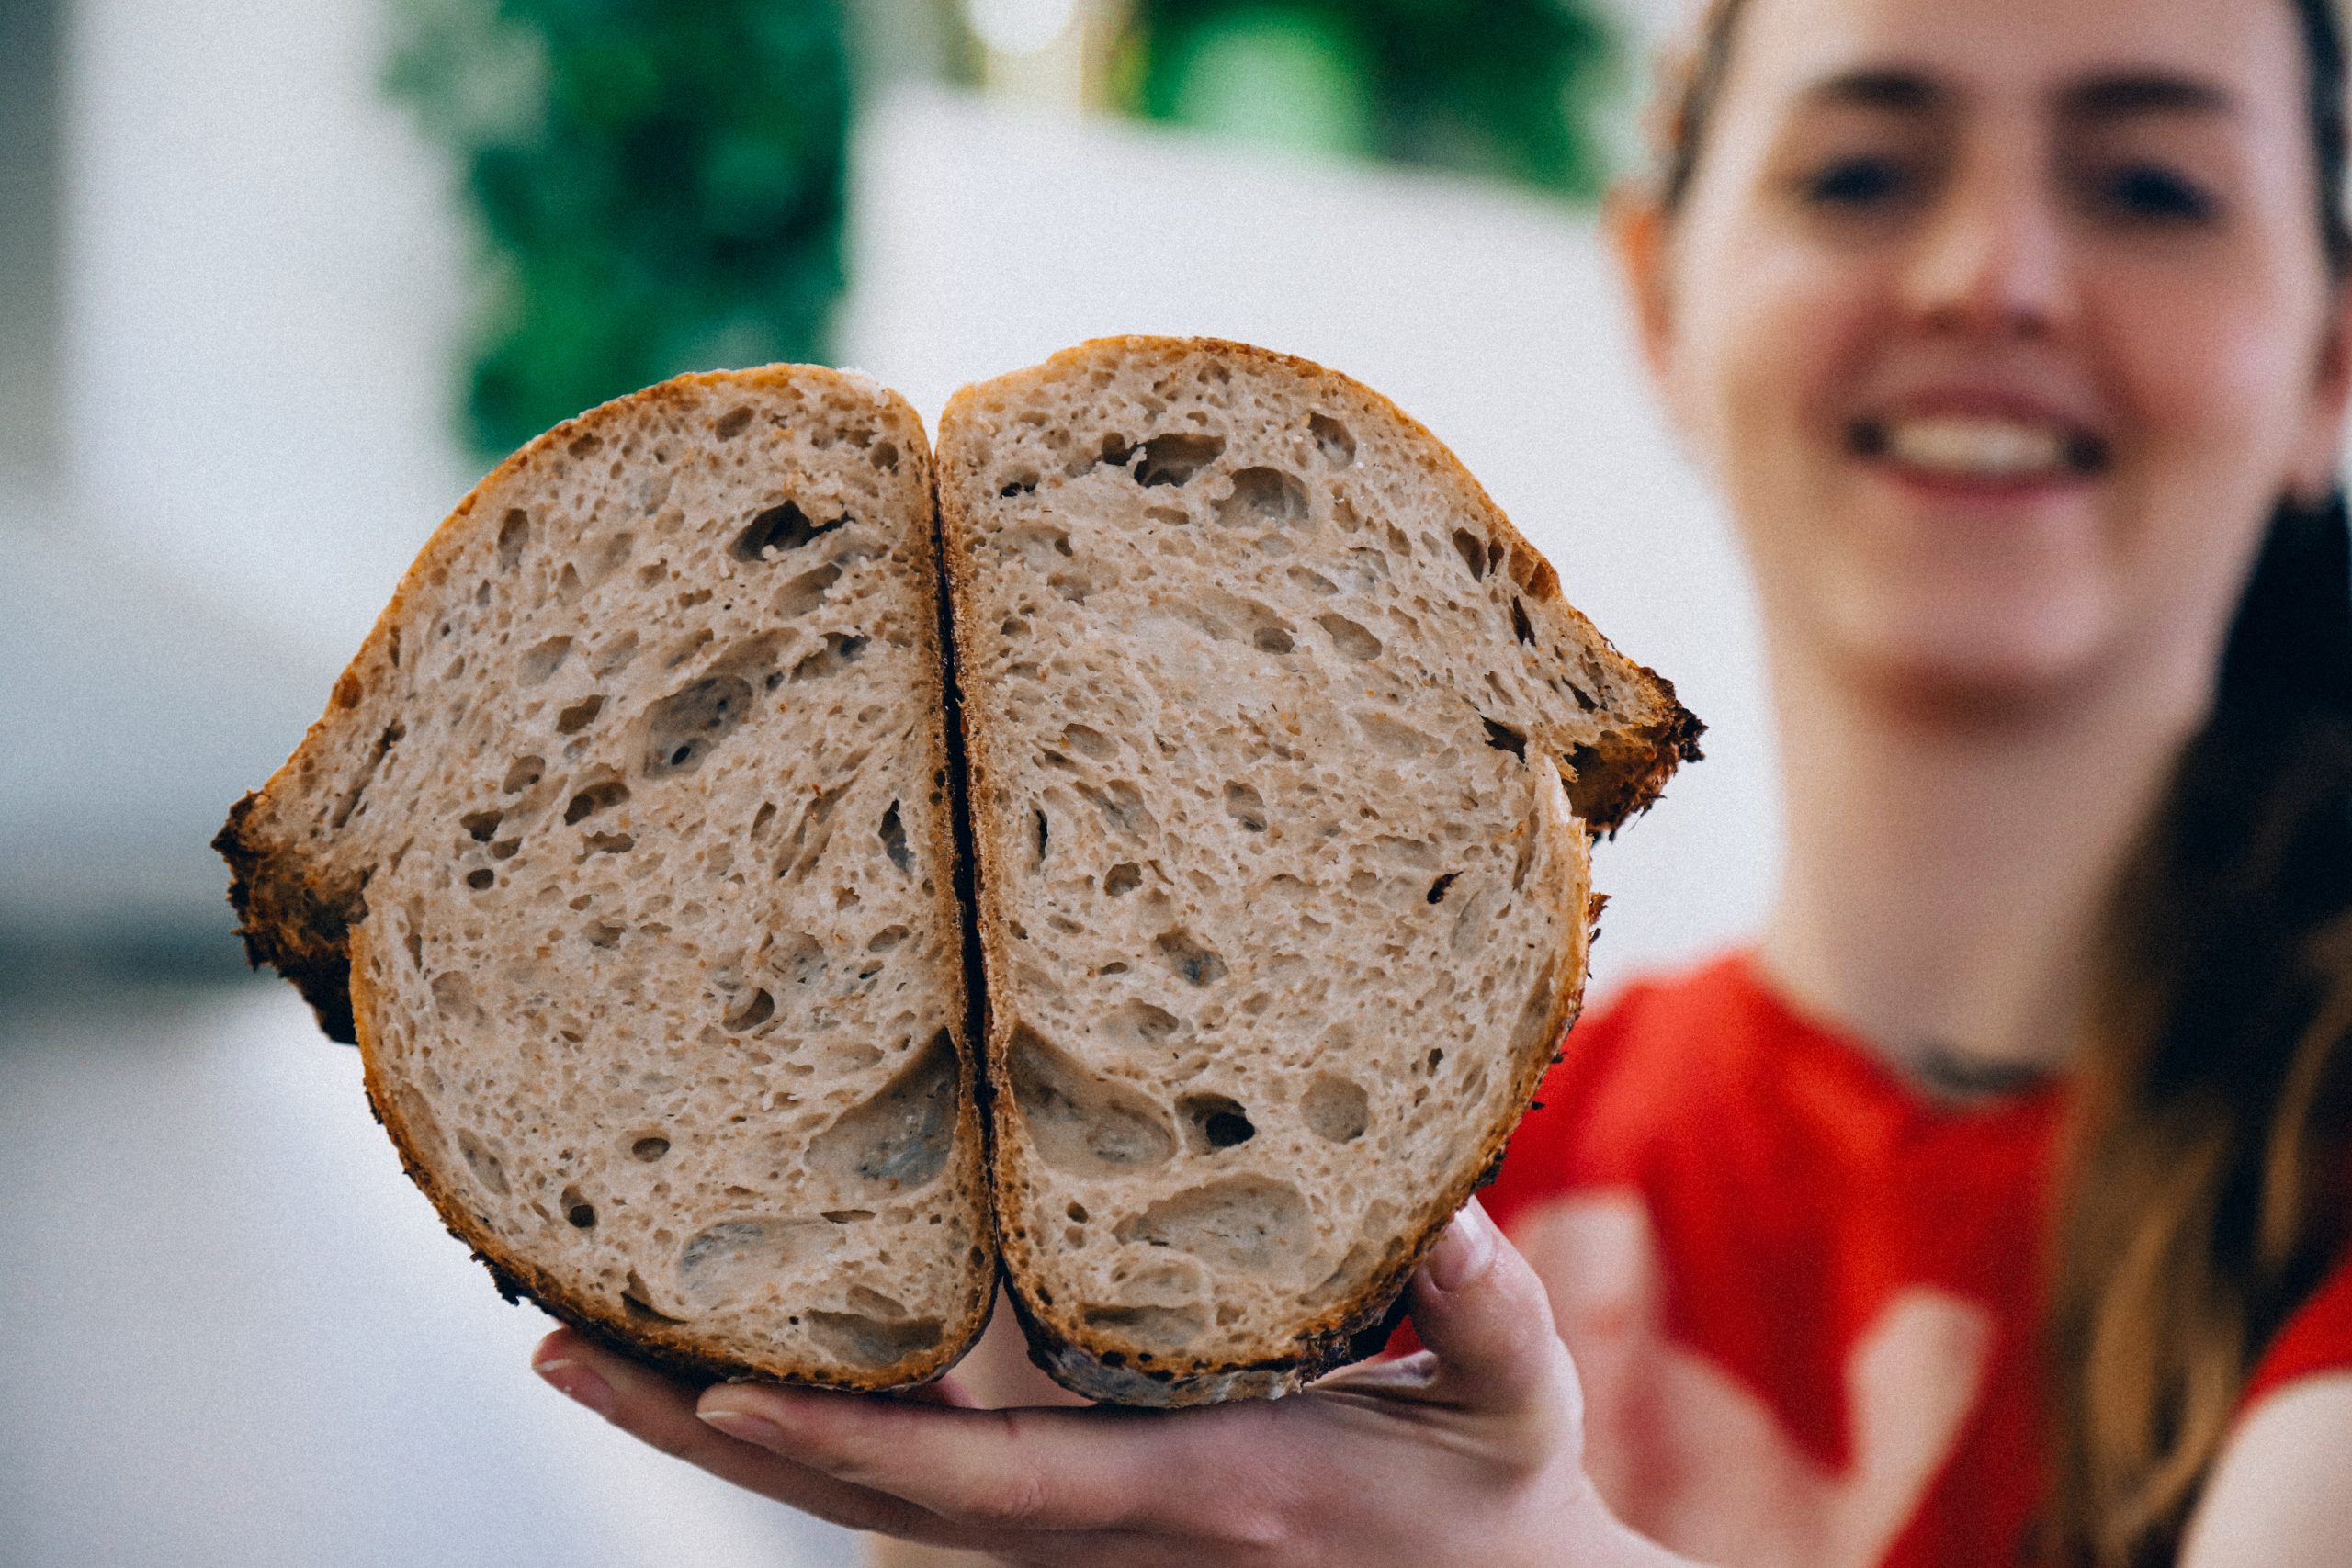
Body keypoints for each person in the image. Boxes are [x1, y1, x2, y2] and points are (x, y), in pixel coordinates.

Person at [524, 0, 2352, 1560]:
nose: (1991, 276)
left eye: (2147, 187)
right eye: (1860, 173)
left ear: (2331, 360)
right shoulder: (1381, 1201)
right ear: (1657, 300)